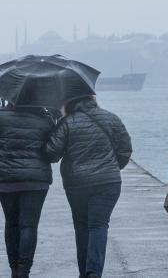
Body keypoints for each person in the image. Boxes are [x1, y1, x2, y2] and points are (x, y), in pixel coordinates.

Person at [44, 95, 132, 278]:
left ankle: (84, 273)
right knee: (99, 225)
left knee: (82, 226)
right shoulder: (111, 118)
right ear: (92, 98)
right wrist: (112, 167)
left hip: (77, 184)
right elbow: (125, 149)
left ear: (70, 101)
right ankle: (94, 272)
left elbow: (52, 154)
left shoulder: (67, 122)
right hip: (109, 182)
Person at [0, 104, 56, 278]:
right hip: (36, 180)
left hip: (6, 178)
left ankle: (14, 269)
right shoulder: (46, 118)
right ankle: (24, 271)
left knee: (11, 223)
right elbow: (52, 149)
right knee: (29, 225)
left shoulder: (1, 116)